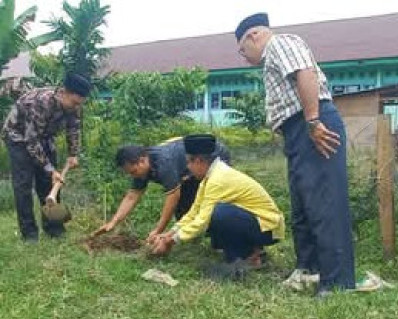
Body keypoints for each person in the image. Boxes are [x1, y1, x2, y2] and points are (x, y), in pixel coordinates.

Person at [235, 13, 355, 296]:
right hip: (298, 131)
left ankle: (338, 284)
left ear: (254, 35)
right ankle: (309, 270)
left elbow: (305, 73)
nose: (244, 56)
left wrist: (313, 121)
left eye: (242, 49)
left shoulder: (280, 44)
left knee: (325, 204)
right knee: (304, 206)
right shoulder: (270, 61)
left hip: (314, 124)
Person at [151, 134, 284, 266]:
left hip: (269, 228)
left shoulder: (218, 179)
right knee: (216, 215)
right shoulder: (210, 177)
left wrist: (171, 241)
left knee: (218, 213)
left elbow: (202, 220)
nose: (188, 167)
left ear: (198, 161)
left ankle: (250, 255)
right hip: (256, 222)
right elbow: (194, 212)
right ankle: (247, 251)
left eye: (188, 162)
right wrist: (170, 233)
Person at [1, 73, 91, 241]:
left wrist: (73, 154)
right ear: (63, 92)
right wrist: (50, 169)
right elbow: (31, 140)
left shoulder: (75, 105)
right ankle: (29, 234)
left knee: (50, 184)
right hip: (18, 137)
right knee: (24, 185)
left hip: (44, 137)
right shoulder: (42, 102)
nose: (75, 107)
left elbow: (74, 128)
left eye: (79, 103)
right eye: (74, 102)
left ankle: (54, 228)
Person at [93, 136, 230, 243]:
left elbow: (173, 196)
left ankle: (218, 235)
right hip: (186, 171)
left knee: (209, 198)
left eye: (133, 172)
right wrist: (113, 222)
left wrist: (158, 230)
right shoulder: (142, 168)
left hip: (212, 154)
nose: (133, 176)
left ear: (142, 160)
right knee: (184, 204)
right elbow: (132, 196)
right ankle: (191, 236)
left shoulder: (163, 162)